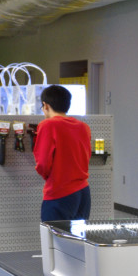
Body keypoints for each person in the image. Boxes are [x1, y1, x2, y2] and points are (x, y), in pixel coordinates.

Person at [33, 84, 92, 222]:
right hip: (83, 192)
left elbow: (42, 163)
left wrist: (49, 177)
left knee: (55, 241)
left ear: (45, 105)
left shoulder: (48, 125)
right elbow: (86, 155)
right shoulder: (83, 127)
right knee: (78, 239)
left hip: (60, 191)